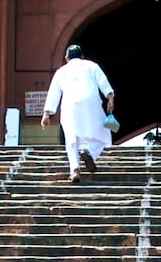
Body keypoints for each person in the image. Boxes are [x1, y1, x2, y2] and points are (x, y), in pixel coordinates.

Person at [42, 43, 115, 183]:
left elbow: (54, 92)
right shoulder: (92, 65)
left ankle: (75, 170)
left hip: (70, 105)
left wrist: (47, 113)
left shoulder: (61, 71)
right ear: (82, 56)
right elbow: (103, 81)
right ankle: (90, 152)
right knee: (103, 133)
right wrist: (110, 97)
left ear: (66, 58)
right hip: (91, 102)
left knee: (71, 138)